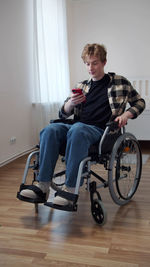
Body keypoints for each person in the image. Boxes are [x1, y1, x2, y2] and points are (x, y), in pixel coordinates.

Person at [20, 43, 145, 207]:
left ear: (104, 62)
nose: (91, 67)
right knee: (49, 130)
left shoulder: (119, 82)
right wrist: (70, 103)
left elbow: (140, 102)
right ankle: (42, 186)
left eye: (95, 63)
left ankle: (70, 189)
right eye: (87, 63)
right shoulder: (81, 86)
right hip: (76, 127)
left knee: (77, 130)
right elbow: (63, 113)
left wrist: (126, 114)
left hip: (102, 132)